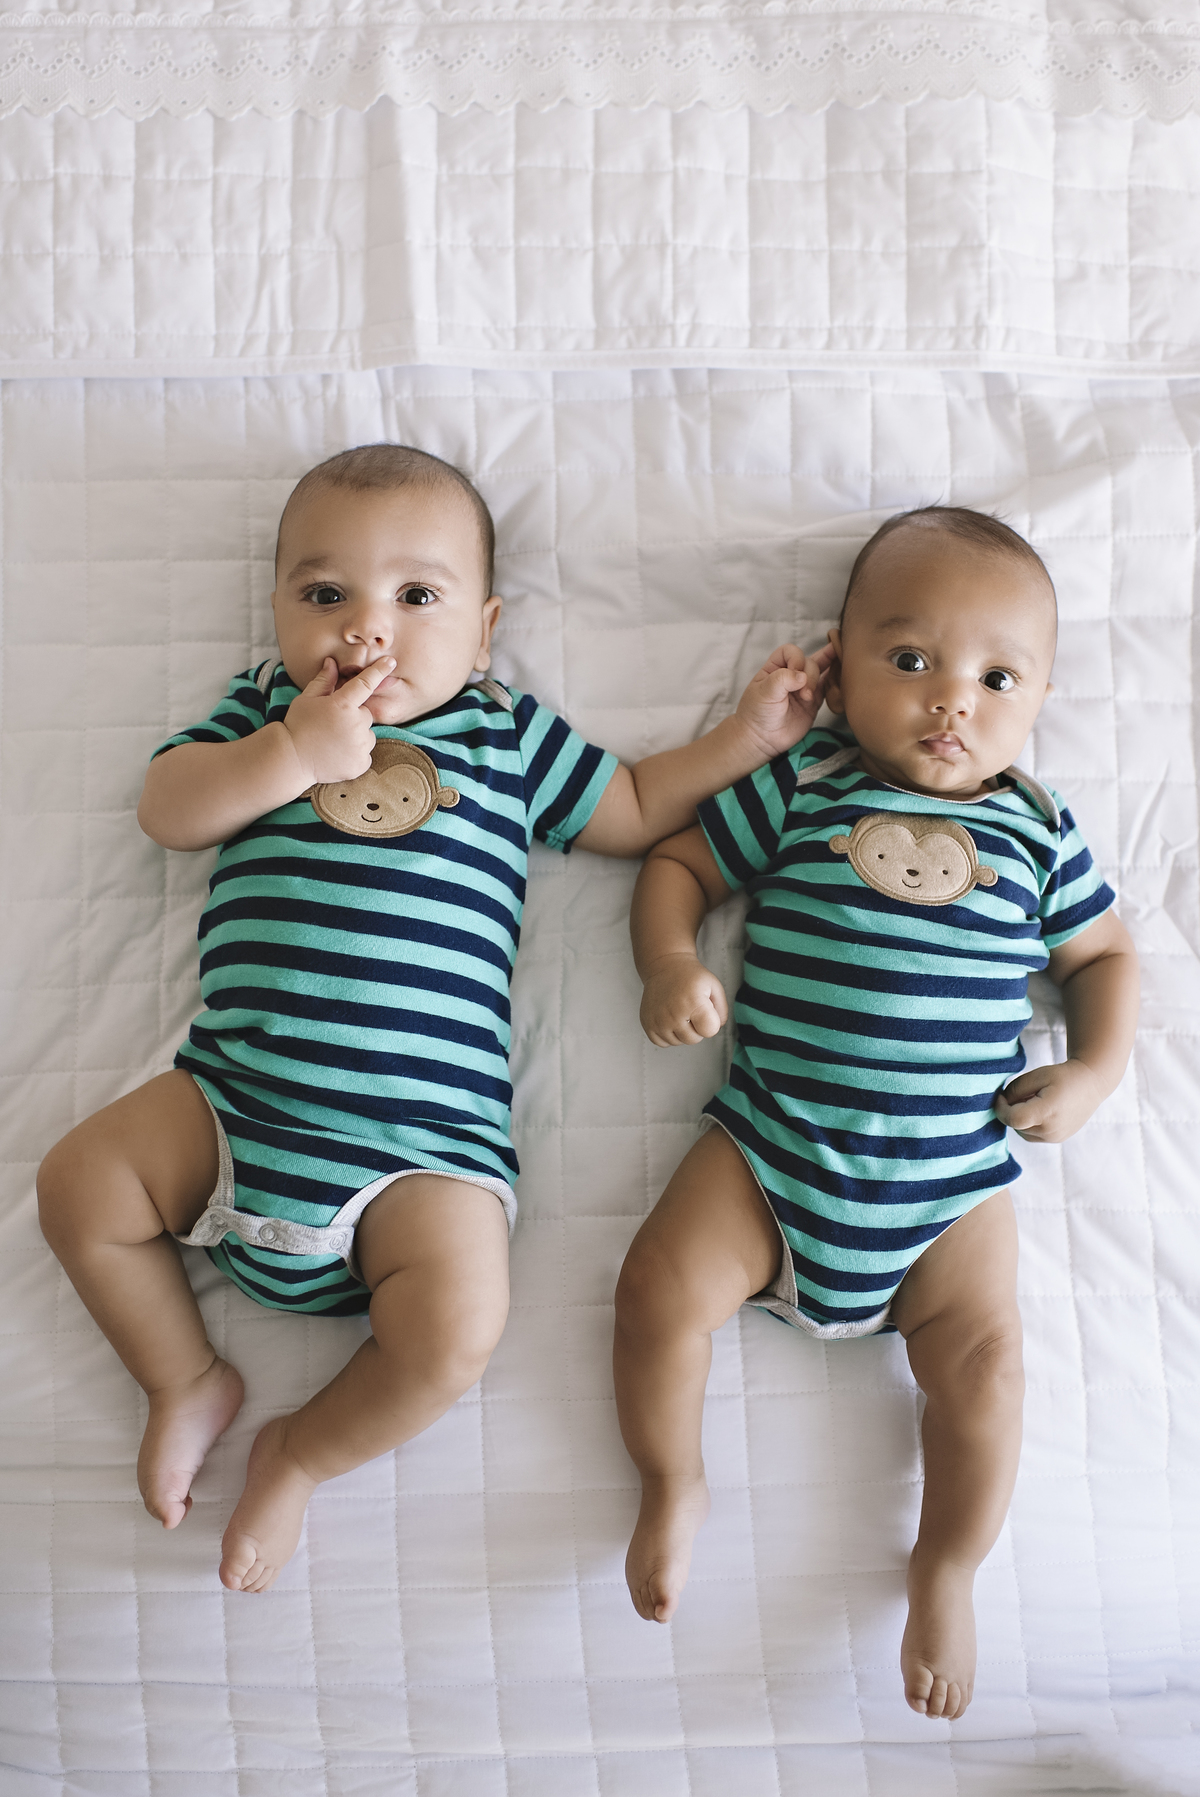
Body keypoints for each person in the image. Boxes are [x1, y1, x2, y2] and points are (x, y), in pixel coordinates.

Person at [36, 444, 832, 1596]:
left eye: (417, 597)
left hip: (424, 1153)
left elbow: (637, 806)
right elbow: (168, 810)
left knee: (459, 1326)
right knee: (78, 1185)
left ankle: (302, 1453)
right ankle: (181, 1378)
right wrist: (289, 754)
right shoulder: (266, 711)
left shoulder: (505, 735)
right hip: (231, 1098)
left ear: (487, 627)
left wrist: (749, 740)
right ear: (277, 614)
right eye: (325, 596)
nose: (367, 630)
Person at [614, 506, 1139, 1720]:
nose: (953, 700)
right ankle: (673, 1476)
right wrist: (669, 964)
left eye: (996, 677)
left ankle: (945, 1563)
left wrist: (1097, 1070)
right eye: (911, 661)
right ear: (839, 669)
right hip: (769, 1149)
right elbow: (676, 863)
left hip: (951, 1185)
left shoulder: (1040, 827)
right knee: (655, 1290)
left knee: (991, 1368)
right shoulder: (805, 786)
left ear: (1041, 696)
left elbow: (1107, 960)